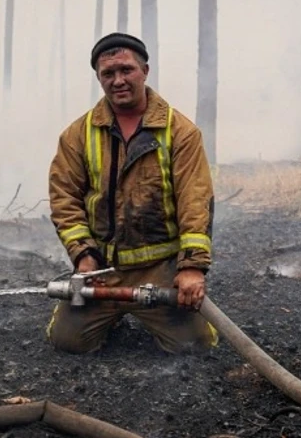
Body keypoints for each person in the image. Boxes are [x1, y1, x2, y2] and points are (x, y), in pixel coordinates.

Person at [45, 32, 218, 354]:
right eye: (108, 74)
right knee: (66, 343)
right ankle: (111, 316)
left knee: (196, 347)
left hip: (161, 271)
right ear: (99, 78)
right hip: (102, 271)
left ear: (145, 71)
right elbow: (64, 198)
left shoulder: (180, 132)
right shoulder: (77, 135)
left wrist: (191, 267)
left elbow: (195, 202)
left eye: (126, 70)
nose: (118, 80)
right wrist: (83, 255)